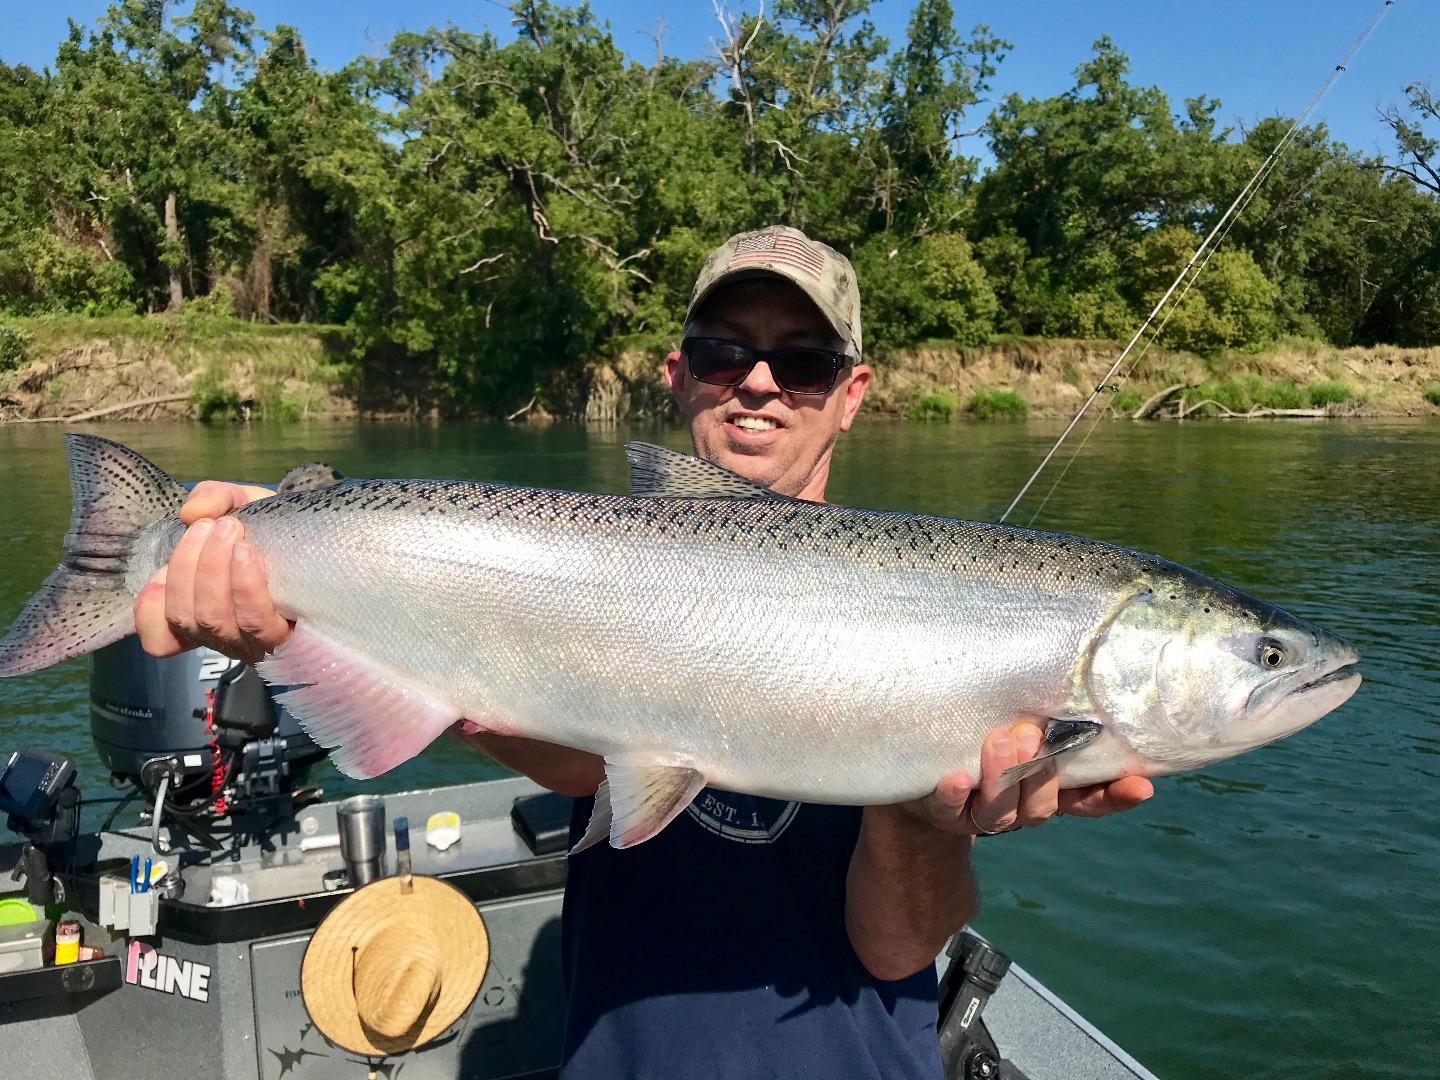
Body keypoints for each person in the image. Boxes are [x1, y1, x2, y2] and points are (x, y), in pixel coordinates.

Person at [134, 225, 1153, 1079]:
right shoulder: (594, 585)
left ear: (851, 391)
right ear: (677, 378)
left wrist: (929, 817)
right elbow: (579, 761)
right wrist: (283, 598)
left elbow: (893, 947)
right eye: (722, 353)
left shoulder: (940, 619)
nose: (757, 384)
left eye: (802, 361)